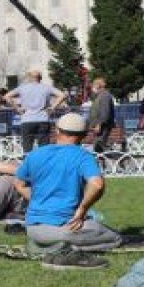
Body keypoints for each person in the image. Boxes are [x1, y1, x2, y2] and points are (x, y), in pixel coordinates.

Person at [13, 113, 122, 265]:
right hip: (65, 228)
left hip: (32, 228)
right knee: (116, 238)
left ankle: (43, 245)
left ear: (57, 130)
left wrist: (39, 201)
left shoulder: (36, 154)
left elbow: (19, 183)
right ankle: (61, 248)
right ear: (83, 135)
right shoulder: (82, 156)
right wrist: (83, 209)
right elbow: (97, 185)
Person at [5, 70, 66, 153]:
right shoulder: (47, 88)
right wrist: (52, 107)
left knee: (27, 147)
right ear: (40, 78)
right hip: (43, 119)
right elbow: (62, 95)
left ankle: (29, 163)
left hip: (27, 119)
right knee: (44, 148)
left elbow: (7, 96)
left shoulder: (22, 88)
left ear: (29, 78)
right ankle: (43, 164)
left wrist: (17, 108)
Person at [86, 78, 117, 153]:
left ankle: (102, 162)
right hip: (99, 127)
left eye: (93, 85)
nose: (92, 88)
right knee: (98, 147)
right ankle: (101, 162)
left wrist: (99, 124)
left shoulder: (105, 96)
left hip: (102, 127)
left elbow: (105, 112)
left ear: (98, 86)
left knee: (98, 147)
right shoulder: (100, 96)